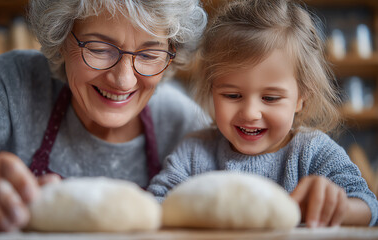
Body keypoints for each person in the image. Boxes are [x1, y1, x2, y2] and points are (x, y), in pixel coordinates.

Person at [0, 0, 207, 232]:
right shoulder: (11, 83)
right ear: (61, 38)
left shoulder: (184, 123)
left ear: (172, 55)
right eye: (99, 48)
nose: (123, 80)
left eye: (149, 55)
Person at [148, 0, 378, 228]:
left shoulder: (313, 152)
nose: (250, 113)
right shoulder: (194, 153)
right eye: (232, 95)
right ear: (212, 90)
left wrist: (338, 206)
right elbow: (156, 206)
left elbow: (369, 207)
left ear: (301, 98)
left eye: (270, 98)